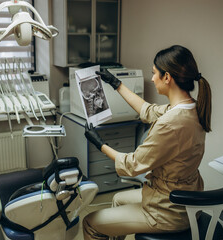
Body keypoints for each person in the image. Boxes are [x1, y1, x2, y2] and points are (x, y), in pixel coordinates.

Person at [83, 45, 212, 240]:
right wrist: (117, 84)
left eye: (154, 74)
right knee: (118, 199)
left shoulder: (171, 123)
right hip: (182, 199)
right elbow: (148, 110)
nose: (152, 79)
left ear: (167, 77)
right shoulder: (190, 108)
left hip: (167, 211)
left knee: (90, 223)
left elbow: (132, 165)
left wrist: (100, 144)